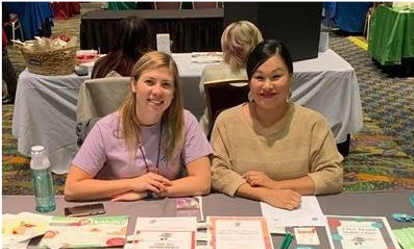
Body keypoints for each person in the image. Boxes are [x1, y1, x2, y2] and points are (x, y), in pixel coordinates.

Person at [211, 40, 343, 210]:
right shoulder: (227, 121)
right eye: (259, 77)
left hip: (297, 210)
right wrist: (266, 195)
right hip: (242, 212)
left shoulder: (313, 123)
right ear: (249, 82)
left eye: (276, 77)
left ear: (290, 78)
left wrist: (276, 186)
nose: (267, 86)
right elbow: (217, 173)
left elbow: (333, 176)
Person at [65, 51, 213, 202]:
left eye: (166, 85)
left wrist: (148, 192)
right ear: (134, 84)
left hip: (166, 208)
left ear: (174, 92)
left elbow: (203, 182)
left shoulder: (185, 121)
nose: (157, 91)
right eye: (149, 82)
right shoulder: (106, 128)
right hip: (121, 209)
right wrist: (133, 184)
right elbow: (72, 188)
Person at [199, 20, 263, 133]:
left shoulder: (209, 73)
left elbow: (204, 99)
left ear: (225, 44)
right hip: (256, 132)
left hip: (213, 133)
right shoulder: (264, 77)